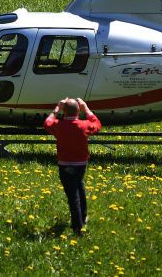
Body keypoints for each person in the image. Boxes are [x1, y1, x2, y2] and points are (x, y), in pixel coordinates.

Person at [44, 97, 101, 234]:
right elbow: (97, 124)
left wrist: (57, 108)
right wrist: (86, 108)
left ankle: (77, 226)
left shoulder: (59, 126)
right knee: (79, 185)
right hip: (81, 164)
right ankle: (83, 215)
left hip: (65, 165)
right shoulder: (84, 125)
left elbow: (47, 123)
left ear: (64, 112)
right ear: (78, 111)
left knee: (72, 195)